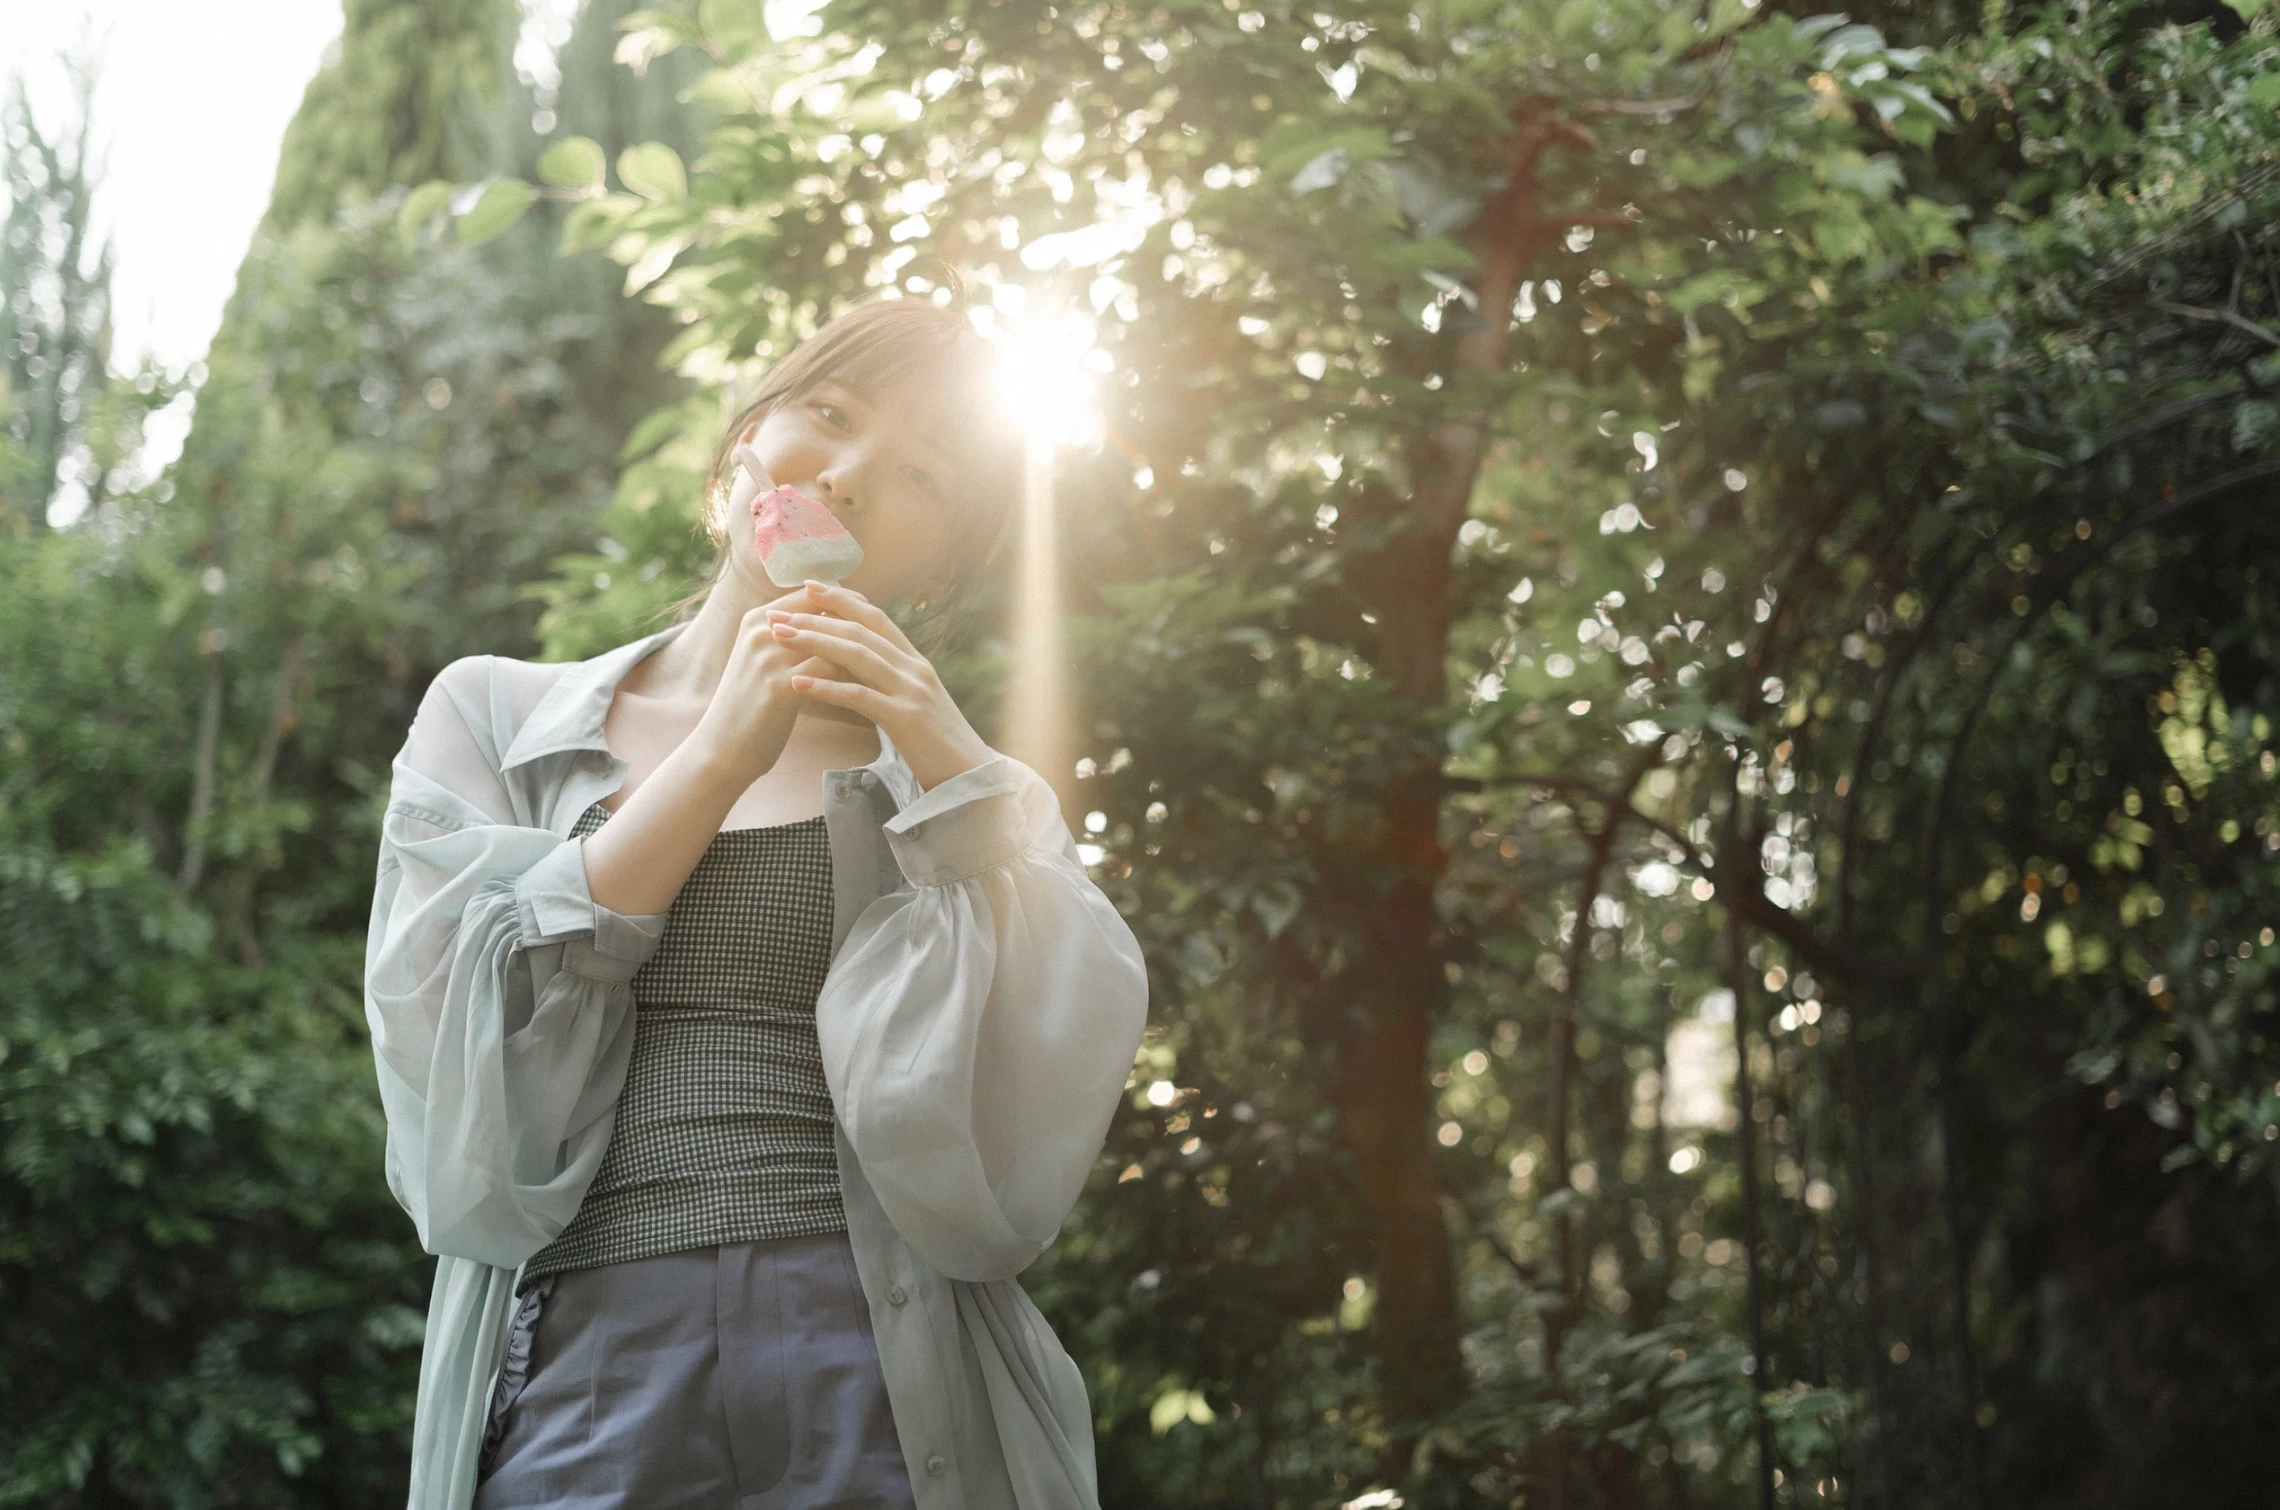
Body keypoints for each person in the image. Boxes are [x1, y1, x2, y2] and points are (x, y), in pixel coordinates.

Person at [363, 296, 1151, 1510]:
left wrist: (952, 761)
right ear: (747, 443)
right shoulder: (494, 717)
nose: (845, 476)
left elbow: (1029, 1149)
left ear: (941, 561)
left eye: (921, 474)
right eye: (825, 417)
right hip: (586, 1358)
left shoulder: (948, 796)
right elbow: (450, 1094)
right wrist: (719, 754)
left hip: (881, 1365)